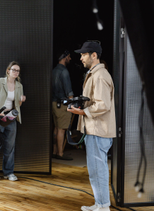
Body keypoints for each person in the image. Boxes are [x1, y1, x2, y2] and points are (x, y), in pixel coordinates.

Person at [67, 40, 116, 211]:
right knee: (95, 170)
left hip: (98, 130)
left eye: (83, 54)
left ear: (94, 55)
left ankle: (103, 206)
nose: (80, 58)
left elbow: (103, 105)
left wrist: (82, 112)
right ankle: (100, 203)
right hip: (94, 129)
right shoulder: (95, 74)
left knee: (98, 170)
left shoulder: (100, 76)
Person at [0, 61, 26, 181]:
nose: (15, 72)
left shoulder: (19, 85)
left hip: (10, 118)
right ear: (8, 70)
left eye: (17, 70)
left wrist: (21, 100)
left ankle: (8, 172)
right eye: (13, 70)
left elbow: (17, 104)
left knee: (10, 146)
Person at [52, 50, 74, 160]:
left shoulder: (54, 70)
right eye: (69, 57)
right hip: (63, 104)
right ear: (64, 57)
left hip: (54, 103)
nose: (70, 59)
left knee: (56, 128)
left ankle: (54, 151)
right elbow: (69, 91)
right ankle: (60, 153)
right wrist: (73, 103)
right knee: (61, 129)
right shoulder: (64, 71)